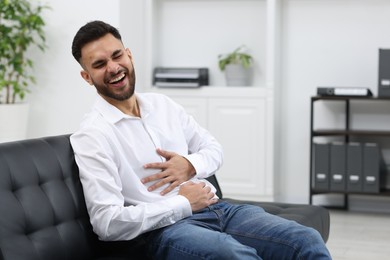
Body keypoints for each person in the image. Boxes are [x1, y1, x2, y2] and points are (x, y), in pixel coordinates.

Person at [70, 20, 332, 260]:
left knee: (305, 239)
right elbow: (107, 223)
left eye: (117, 55)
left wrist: (189, 165)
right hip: (165, 230)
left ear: (129, 55)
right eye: (99, 64)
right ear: (87, 77)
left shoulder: (163, 105)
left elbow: (214, 149)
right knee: (235, 255)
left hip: (218, 209)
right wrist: (182, 203)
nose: (114, 67)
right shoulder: (93, 135)